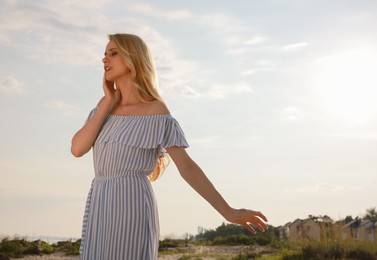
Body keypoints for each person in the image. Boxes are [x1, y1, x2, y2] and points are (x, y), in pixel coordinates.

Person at [71, 33, 268, 260]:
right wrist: (107, 101)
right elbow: (77, 148)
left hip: (132, 202)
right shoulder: (104, 107)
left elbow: (187, 167)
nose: (105, 60)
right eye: (104, 55)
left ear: (133, 58)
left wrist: (228, 211)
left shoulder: (156, 111)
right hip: (100, 200)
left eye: (113, 54)